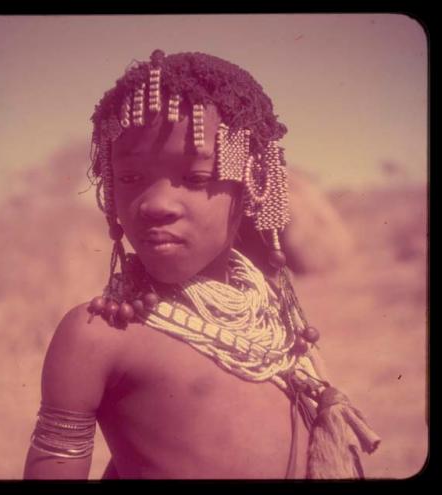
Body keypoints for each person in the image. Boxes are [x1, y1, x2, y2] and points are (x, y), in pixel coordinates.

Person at [23, 50, 380, 480]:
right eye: (131, 179)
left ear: (253, 185)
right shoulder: (97, 336)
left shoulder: (274, 314)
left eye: (194, 179)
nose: (155, 204)